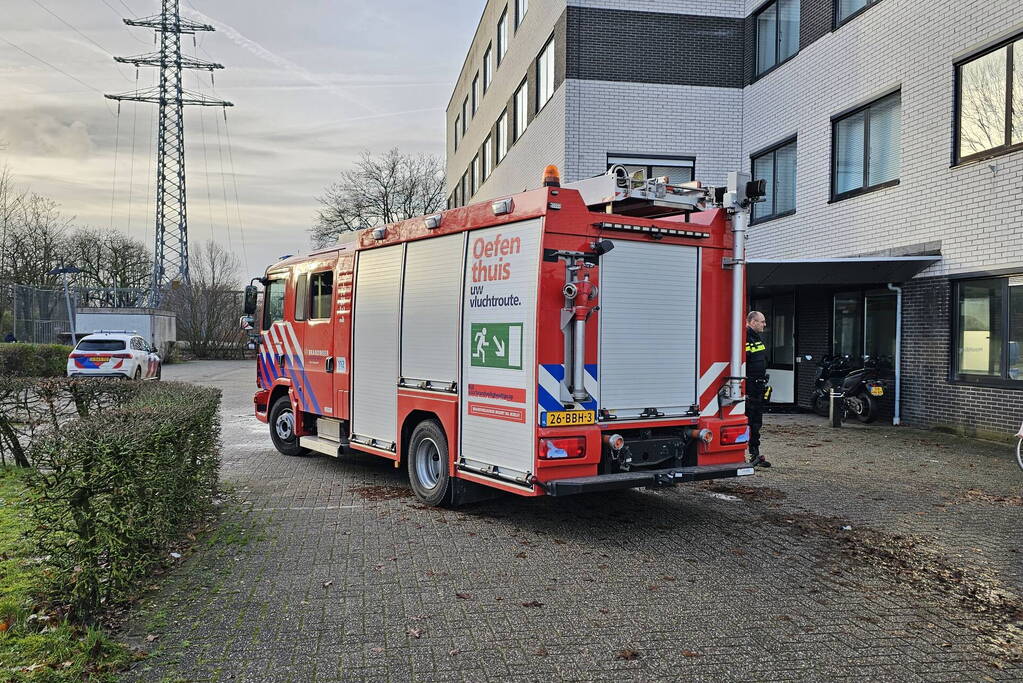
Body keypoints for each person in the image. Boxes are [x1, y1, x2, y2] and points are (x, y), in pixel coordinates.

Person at [745, 310, 771, 467]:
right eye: (762, 321)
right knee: (749, 422)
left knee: (756, 422)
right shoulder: (745, 337)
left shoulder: (756, 337)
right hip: (750, 388)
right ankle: (748, 454)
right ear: (752, 322)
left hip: (758, 386)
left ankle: (755, 454)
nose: (764, 324)